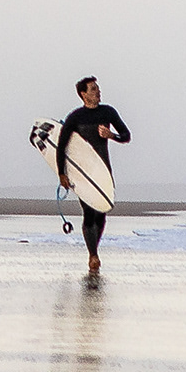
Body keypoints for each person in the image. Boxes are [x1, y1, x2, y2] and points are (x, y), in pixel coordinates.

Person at [57, 77, 129, 279]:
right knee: (89, 213)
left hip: (103, 171)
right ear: (83, 94)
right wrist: (62, 173)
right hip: (83, 173)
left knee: (102, 212)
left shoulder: (108, 112)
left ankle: (93, 250)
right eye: (94, 89)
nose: (98, 92)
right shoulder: (75, 117)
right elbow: (61, 146)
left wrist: (111, 135)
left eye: (98, 88)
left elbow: (126, 135)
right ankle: (93, 255)